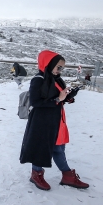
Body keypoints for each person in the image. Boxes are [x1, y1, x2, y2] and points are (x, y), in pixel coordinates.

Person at [19, 50, 89, 190]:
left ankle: (67, 176)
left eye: (62, 68)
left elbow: (59, 98)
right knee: (41, 147)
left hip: (57, 119)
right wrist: (58, 99)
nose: (60, 70)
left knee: (58, 148)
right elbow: (36, 102)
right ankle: (36, 174)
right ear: (48, 64)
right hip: (41, 121)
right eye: (58, 67)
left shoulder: (56, 79)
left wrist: (69, 96)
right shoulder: (38, 80)